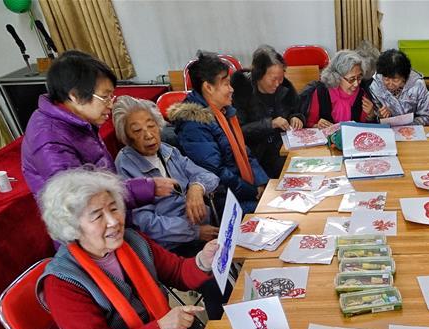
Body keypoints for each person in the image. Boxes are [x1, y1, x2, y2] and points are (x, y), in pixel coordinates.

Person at [37, 169, 221, 329]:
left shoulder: (133, 240)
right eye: (98, 216)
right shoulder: (61, 284)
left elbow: (176, 271)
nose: (114, 221)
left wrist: (203, 260)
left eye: (114, 208)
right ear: (72, 226)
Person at [21, 50, 174, 208]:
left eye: (111, 96)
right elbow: (80, 200)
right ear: (75, 96)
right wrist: (147, 188)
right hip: (88, 223)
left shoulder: (78, 120)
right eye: (105, 96)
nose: (110, 104)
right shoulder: (50, 141)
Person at [112, 96, 219, 255]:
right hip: (172, 247)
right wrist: (194, 232)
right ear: (126, 137)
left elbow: (209, 176)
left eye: (151, 125)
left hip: (202, 231)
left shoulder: (167, 150)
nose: (148, 135)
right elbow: (147, 224)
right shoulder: (125, 165)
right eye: (137, 130)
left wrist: (196, 188)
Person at [168, 51, 268, 215]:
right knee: (275, 212)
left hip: (243, 189)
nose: (231, 89)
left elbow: (245, 152)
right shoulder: (194, 124)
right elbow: (217, 173)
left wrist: (261, 182)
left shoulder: (223, 112)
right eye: (226, 84)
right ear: (208, 87)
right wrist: (253, 192)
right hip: (225, 199)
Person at [231, 45, 304, 178]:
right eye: (273, 79)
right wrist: (270, 124)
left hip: (284, 150)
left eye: (280, 78)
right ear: (259, 75)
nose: (278, 84)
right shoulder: (241, 91)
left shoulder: (285, 86)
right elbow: (238, 131)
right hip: (257, 157)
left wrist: (296, 117)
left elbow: (296, 109)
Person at [300, 49, 376, 128]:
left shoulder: (363, 93)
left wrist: (371, 115)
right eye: (351, 79)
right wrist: (317, 125)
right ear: (337, 77)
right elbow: (309, 123)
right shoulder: (321, 92)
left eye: (359, 77)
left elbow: (367, 128)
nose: (356, 84)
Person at [367, 48, 429, 125]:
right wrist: (381, 116)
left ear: (404, 77)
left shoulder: (417, 85)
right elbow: (375, 117)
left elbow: (427, 117)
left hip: (412, 131)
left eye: (395, 80)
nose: (390, 84)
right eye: (386, 79)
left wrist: (408, 126)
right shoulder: (375, 86)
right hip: (388, 130)